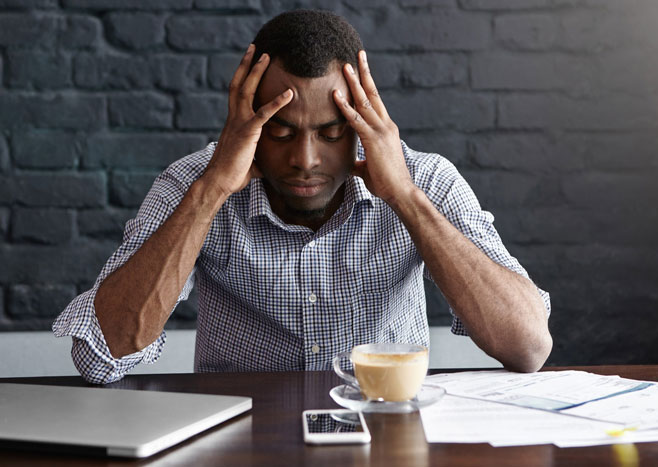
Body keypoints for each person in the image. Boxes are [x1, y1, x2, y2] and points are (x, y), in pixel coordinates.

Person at [53, 9, 552, 384]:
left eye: (332, 134)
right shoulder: (195, 184)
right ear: (249, 119)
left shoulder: (425, 179)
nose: (305, 159)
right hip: (242, 443)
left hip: (386, 437)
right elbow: (101, 358)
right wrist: (209, 194)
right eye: (281, 132)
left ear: (363, 122)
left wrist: (406, 199)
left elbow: (528, 348)